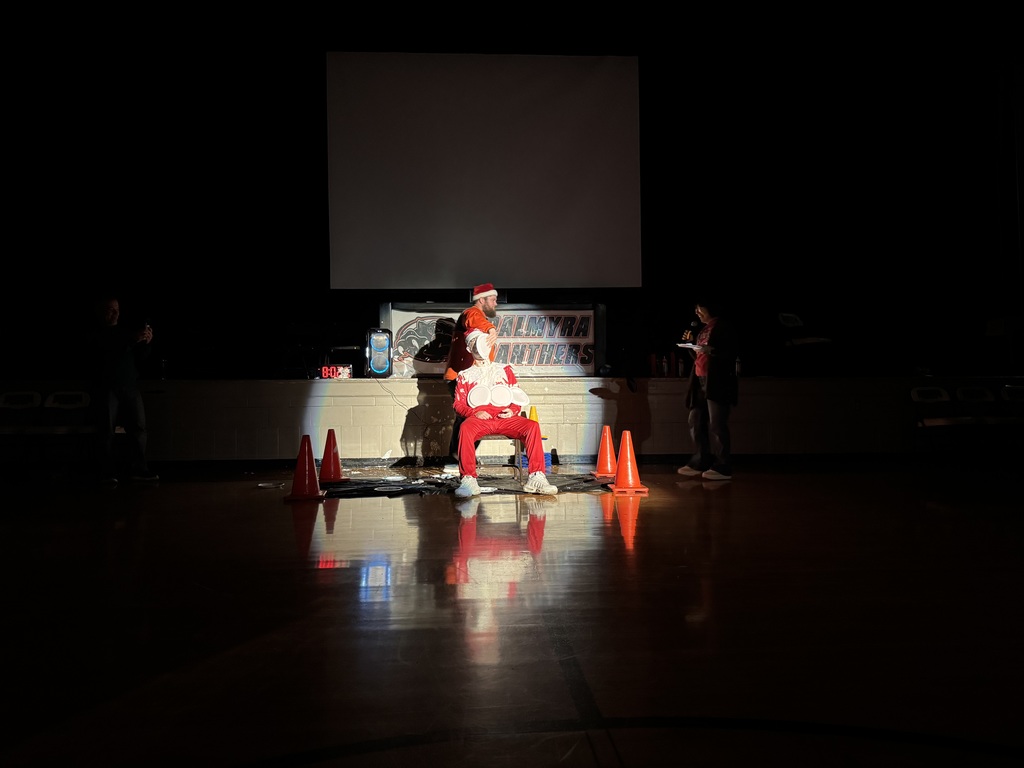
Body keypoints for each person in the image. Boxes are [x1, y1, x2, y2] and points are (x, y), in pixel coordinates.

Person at [452, 329, 557, 498]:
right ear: (469, 348)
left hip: (504, 417)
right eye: (474, 344)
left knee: (532, 426)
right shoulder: (465, 375)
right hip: (480, 419)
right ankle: (468, 479)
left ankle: (536, 476)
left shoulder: (504, 370)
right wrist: (474, 413)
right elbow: (458, 404)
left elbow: (517, 395)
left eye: (481, 342)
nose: (478, 347)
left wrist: (513, 410)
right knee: (465, 428)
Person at [86, 296, 159, 484]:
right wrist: (132, 340)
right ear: (99, 312)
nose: (116, 313)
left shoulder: (125, 333)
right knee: (106, 430)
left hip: (130, 386)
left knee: (139, 429)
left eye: (117, 309)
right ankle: (107, 472)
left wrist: (146, 342)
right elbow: (110, 352)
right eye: (111, 309)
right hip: (106, 387)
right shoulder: (96, 333)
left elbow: (140, 357)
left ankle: (139, 469)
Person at [677, 299, 738, 481]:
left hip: (717, 381)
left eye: (700, 308)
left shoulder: (723, 327)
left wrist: (712, 350)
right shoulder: (704, 329)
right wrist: (690, 344)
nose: (697, 312)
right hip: (700, 380)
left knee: (717, 423)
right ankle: (701, 460)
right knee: (695, 420)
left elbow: (730, 352)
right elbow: (699, 356)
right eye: (696, 309)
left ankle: (723, 466)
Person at [444, 282, 500, 461]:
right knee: (468, 416)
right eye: (493, 299)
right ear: (481, 300)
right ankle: (459, 457)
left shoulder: (479, 320)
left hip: (474, 378)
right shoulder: (472, 313)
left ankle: (462, 456)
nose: (496, 303)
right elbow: (472, 318)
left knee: (476, 416)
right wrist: (490, 328)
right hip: (461, 378)